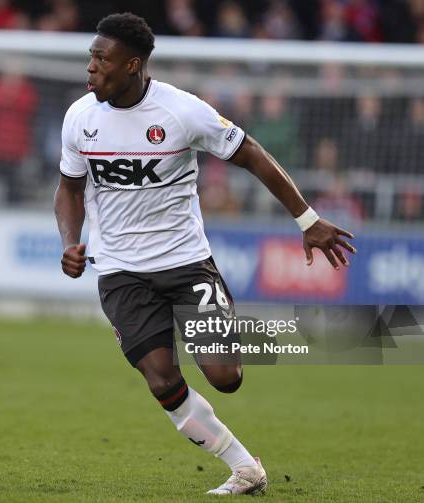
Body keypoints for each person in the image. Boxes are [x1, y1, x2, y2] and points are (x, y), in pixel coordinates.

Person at [54, 13, 356, 496]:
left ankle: (255, 330)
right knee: (161, 381)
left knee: (225, 377)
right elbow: (68, 189)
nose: (90, 68)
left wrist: (307, 220)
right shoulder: (79, 117)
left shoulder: (182, 112)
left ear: (132, 65)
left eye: (100, 58)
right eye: (90, 57)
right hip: (119, 271)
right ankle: (244, 467)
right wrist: (70, 241)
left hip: (185, 262)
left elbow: (251, 152)